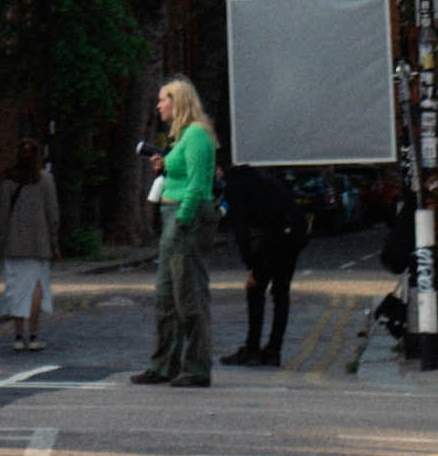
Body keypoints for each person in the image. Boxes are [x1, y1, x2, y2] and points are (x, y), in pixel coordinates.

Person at [132, 78, 220, 386]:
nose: (158, 106)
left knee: (189, 294)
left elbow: (197, 183)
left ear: (178, 102)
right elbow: (182, 173)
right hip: (174, 214)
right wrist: (166, 165)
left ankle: (197, 367)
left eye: (163, 100)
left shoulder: (196, 135)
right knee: (166, 295)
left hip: (187, 216)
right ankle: (163, 364)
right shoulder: (182, 137)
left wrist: (183, 218)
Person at [229, 151, 310, 365]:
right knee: (280, 292)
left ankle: (252, 348)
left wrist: (251, 266)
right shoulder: (258, 176)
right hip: (295, 230)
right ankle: (273, 349)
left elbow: (241, 230)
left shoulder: (235, 184)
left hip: (278, 233)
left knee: (255, 289)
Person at [0, 144, 60, 351]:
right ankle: (34, 335)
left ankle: (18, 335)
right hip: (39, 242)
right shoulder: (45, 180)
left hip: (14, 243)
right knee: (36, 288)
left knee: (16, 289)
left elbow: (2, 216)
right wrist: (55, 243)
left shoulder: (9, 181)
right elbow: (52, 213)